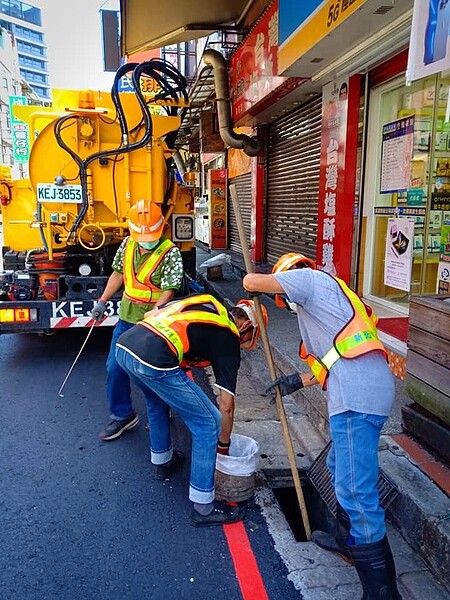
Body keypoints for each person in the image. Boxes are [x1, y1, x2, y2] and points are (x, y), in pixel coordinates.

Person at [243, 253, 402, 600]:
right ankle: (346, 538)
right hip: (361, 390)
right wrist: (294, 382)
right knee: (337, 468)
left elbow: (252, 282)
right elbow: (333, 360)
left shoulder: (310, 280)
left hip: (357, 398)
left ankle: (383, 594)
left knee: (357, 494)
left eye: (282, 296)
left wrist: (253, 285)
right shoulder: (328, 303)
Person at [114, 293, 267, 527]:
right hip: (154, 358)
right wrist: (222, 448)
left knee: (156, 402)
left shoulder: (207, 302)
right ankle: (203, 507)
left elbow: (149, 314)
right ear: (246, 326)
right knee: (209, 424)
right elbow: (226, 407)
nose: (244, 343)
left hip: (125, 347)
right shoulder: (228, 338)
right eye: (248, 337)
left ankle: (163, 462)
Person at [92, 199, 184, 441]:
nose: (146, 241)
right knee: (114, 367)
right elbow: (118, 274)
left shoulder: (170, 252)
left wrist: (155, 313)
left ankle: (159, 413)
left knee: (152, 372)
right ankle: (122, 415)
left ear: (162, 228)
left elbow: (169, 289)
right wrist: (102, 300)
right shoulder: (128, 243)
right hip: (126, 318)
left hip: (153, 323)